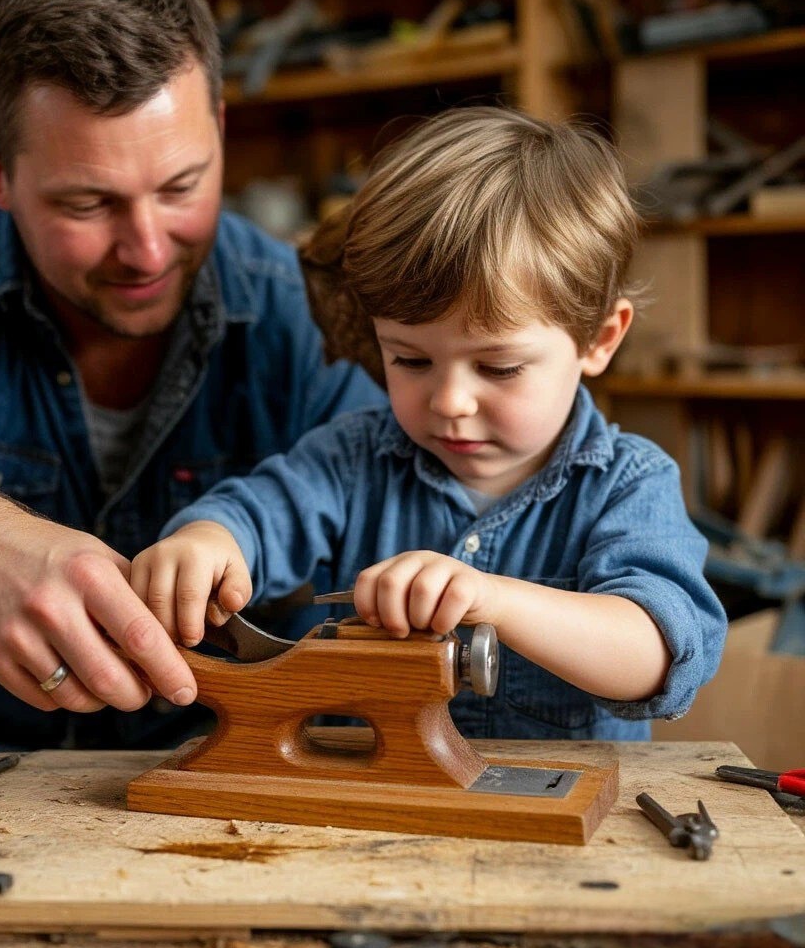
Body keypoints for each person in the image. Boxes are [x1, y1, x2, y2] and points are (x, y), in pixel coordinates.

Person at [0, 0, 382, 752]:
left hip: (224, 743)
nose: (146, 250)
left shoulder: (296, 311)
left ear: (219, 128)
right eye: (88, 203)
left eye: (181, 187)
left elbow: (402, 512)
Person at [130, 106, 727, 741]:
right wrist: (206, 541)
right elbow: (255, 515)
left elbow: (657, 655)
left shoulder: (630, 483)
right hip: (369, 795)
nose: (449, 401)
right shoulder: (351, 458)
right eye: (411, 360)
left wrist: (492, 599)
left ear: (600, 340)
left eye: (498, 367)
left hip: (561, 804)